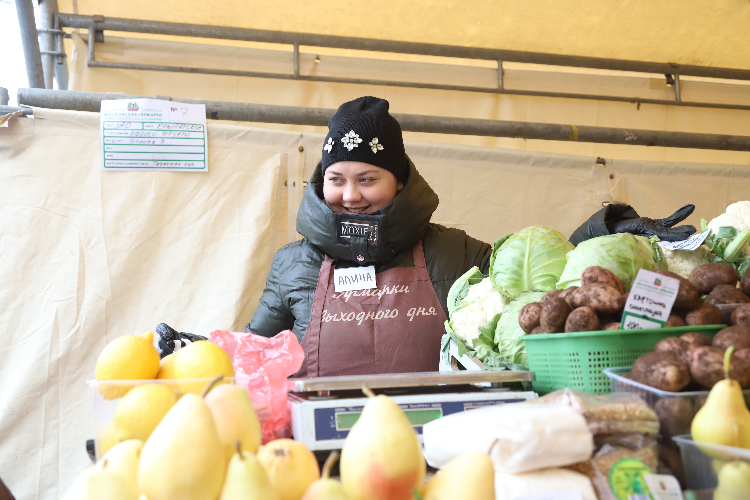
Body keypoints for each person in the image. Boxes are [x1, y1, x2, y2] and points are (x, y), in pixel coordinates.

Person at [246, 96, 695, 378]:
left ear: (399, 181)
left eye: (367, 179)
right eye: (336, 179)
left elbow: (540, 279)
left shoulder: (450, 250)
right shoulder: (293, 264)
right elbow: (250, 353)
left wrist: (606, 230)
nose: (350, 195)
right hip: (320, 457)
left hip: (442, 449)